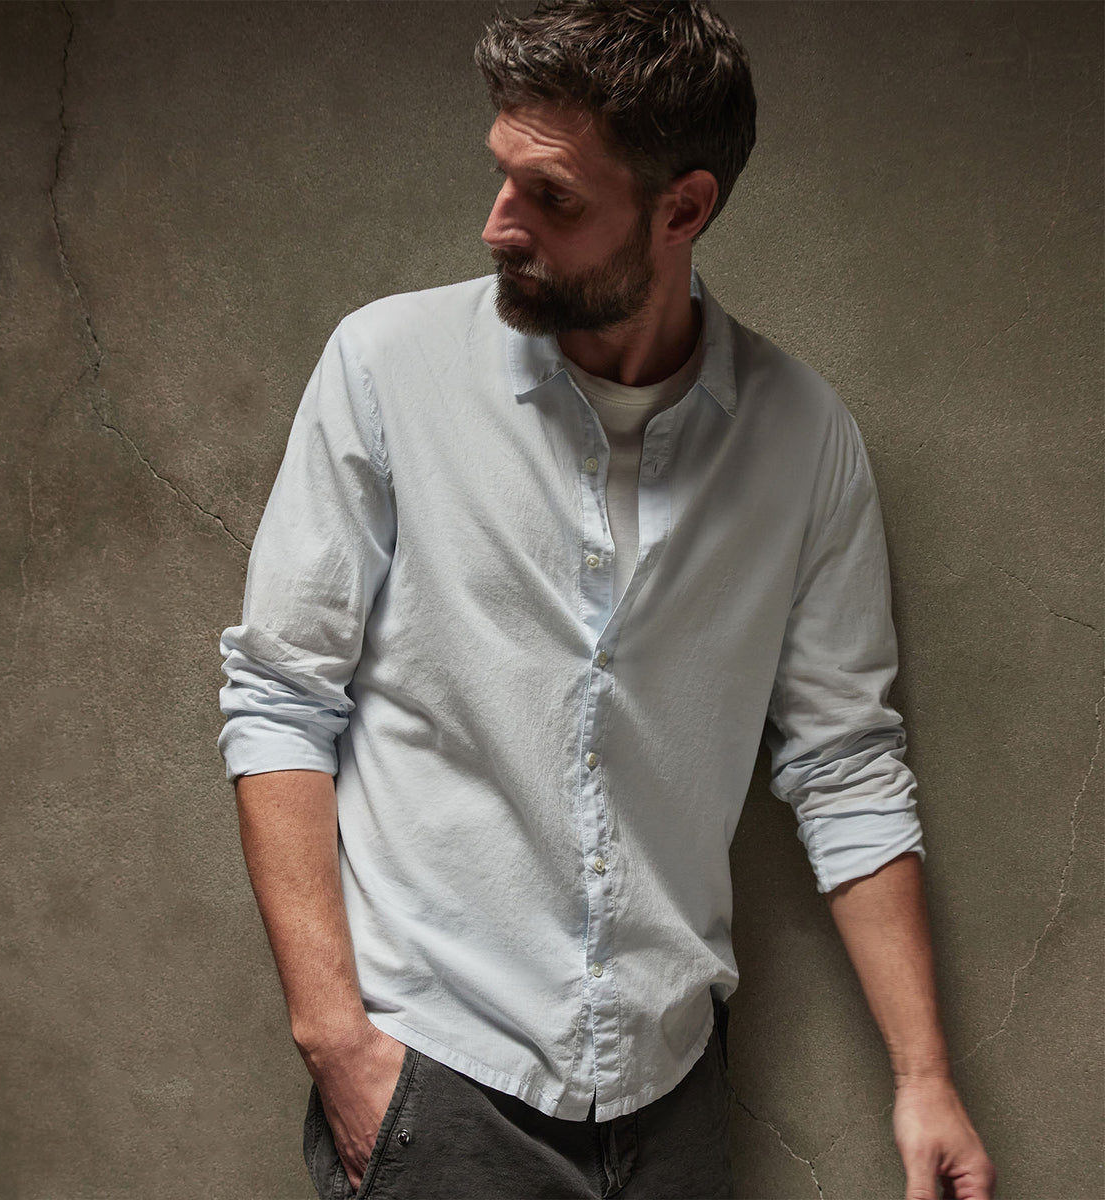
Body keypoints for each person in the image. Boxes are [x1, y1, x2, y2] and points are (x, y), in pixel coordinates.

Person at [217, 3, 995, 1197]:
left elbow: (846, 764)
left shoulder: (803, 438)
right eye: (502, 176)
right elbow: (280, 698)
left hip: (673, 1090)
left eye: (554, 198)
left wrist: (924, 1078)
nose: (499, 223)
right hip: (437, 1079)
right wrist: (338, 1046)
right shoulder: (385, 371)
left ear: (682, 210)